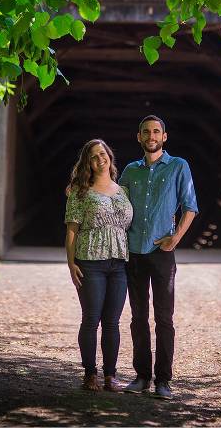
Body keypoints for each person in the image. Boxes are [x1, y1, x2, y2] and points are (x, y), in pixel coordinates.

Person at [119, 115, 198, 399]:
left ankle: (163, 380)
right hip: (133, 252)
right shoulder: (130, 170)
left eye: (156, 131)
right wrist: (78, 190)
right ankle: (141, 376)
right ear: (138, 137)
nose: (151, 136)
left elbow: (190, 206)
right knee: (138, 317)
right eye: (146, 132)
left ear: (164, 136)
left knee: (164, 318)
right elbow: (113, 202)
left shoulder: (179, 166)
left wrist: (175, 238)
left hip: (162, 253)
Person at [65, 139, 133, 391]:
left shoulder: (123, 191)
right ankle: (90, 374)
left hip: (119, 264)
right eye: (93, 156)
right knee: (91, 319)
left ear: (109, 157)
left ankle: (110, 375)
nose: (100, 159)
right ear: (88, 163)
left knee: (113, 322)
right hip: (90, 262)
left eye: (102, 154)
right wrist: (71, 264)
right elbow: (71, 230)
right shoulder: (80, 191)